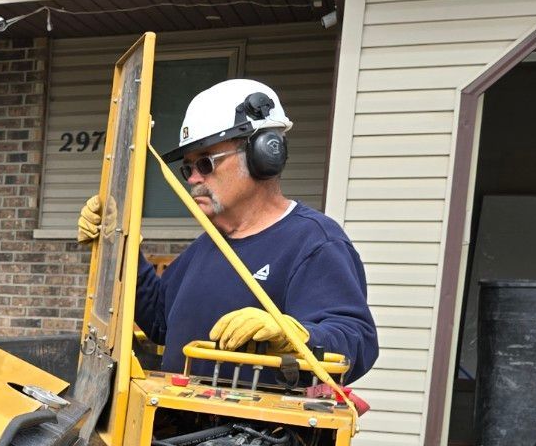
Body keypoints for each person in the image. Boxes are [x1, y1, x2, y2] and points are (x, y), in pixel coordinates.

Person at [78, 78, 378, 383]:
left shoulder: (314, 243)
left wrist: (296, 337)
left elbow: (357, 340)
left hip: (258, 431)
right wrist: (118, 247)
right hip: (178, 427)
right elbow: (159, 320)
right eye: (188, 168)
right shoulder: (210, 246)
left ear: (264, 155)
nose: (193, 179)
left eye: (205, 163)